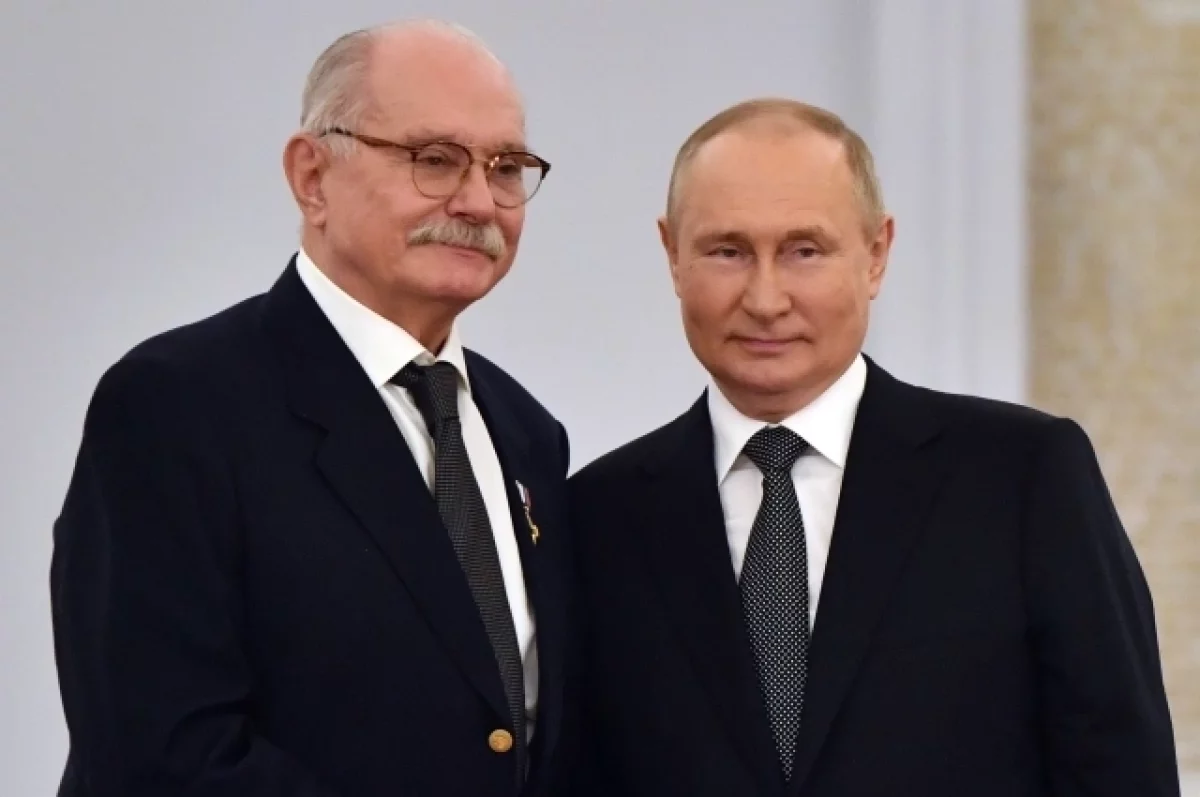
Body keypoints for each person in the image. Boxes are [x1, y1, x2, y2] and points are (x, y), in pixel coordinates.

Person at [568, 98, 1180, 796]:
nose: (766, 299)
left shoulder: (1023, 477)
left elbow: (1119, 769)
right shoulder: (597, 515)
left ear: (876, 255)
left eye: (804, 250)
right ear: (673, 256)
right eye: (728, 251)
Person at [50, 19, 582, 797]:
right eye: (435, 159)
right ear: (312, 176)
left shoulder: (527, 433)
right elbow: (161, 755)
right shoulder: (176, 406)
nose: (478, 201)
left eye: (506, 168)